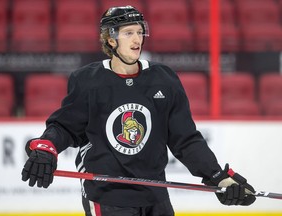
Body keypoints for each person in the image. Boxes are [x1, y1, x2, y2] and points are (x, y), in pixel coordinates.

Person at [21, 5, 256, 216]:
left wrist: (217, 176)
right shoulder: (88, 81)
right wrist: (46, 147)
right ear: (111, 40)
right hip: (108, 196)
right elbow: (65, 127)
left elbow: (185, 139)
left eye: (139, 31)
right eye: (128, 33)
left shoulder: (163, 79)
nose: (137, 39)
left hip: (155, 193)